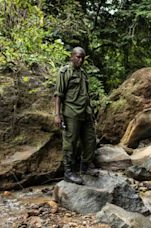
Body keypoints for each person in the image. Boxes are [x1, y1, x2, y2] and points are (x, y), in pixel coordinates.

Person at [54, 47, 97, 185]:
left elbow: (86, 95)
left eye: (82, 58)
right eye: (78, 57)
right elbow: (58, 94)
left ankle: (85, 167)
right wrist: (57, 114)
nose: (80, 60)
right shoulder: (64, 72)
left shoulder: (83, 73)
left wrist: (91, 112)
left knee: (90, 139)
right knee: (70, 143)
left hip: (85, 112)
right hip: (71, 112)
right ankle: (68, 172)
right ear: (72, 57)